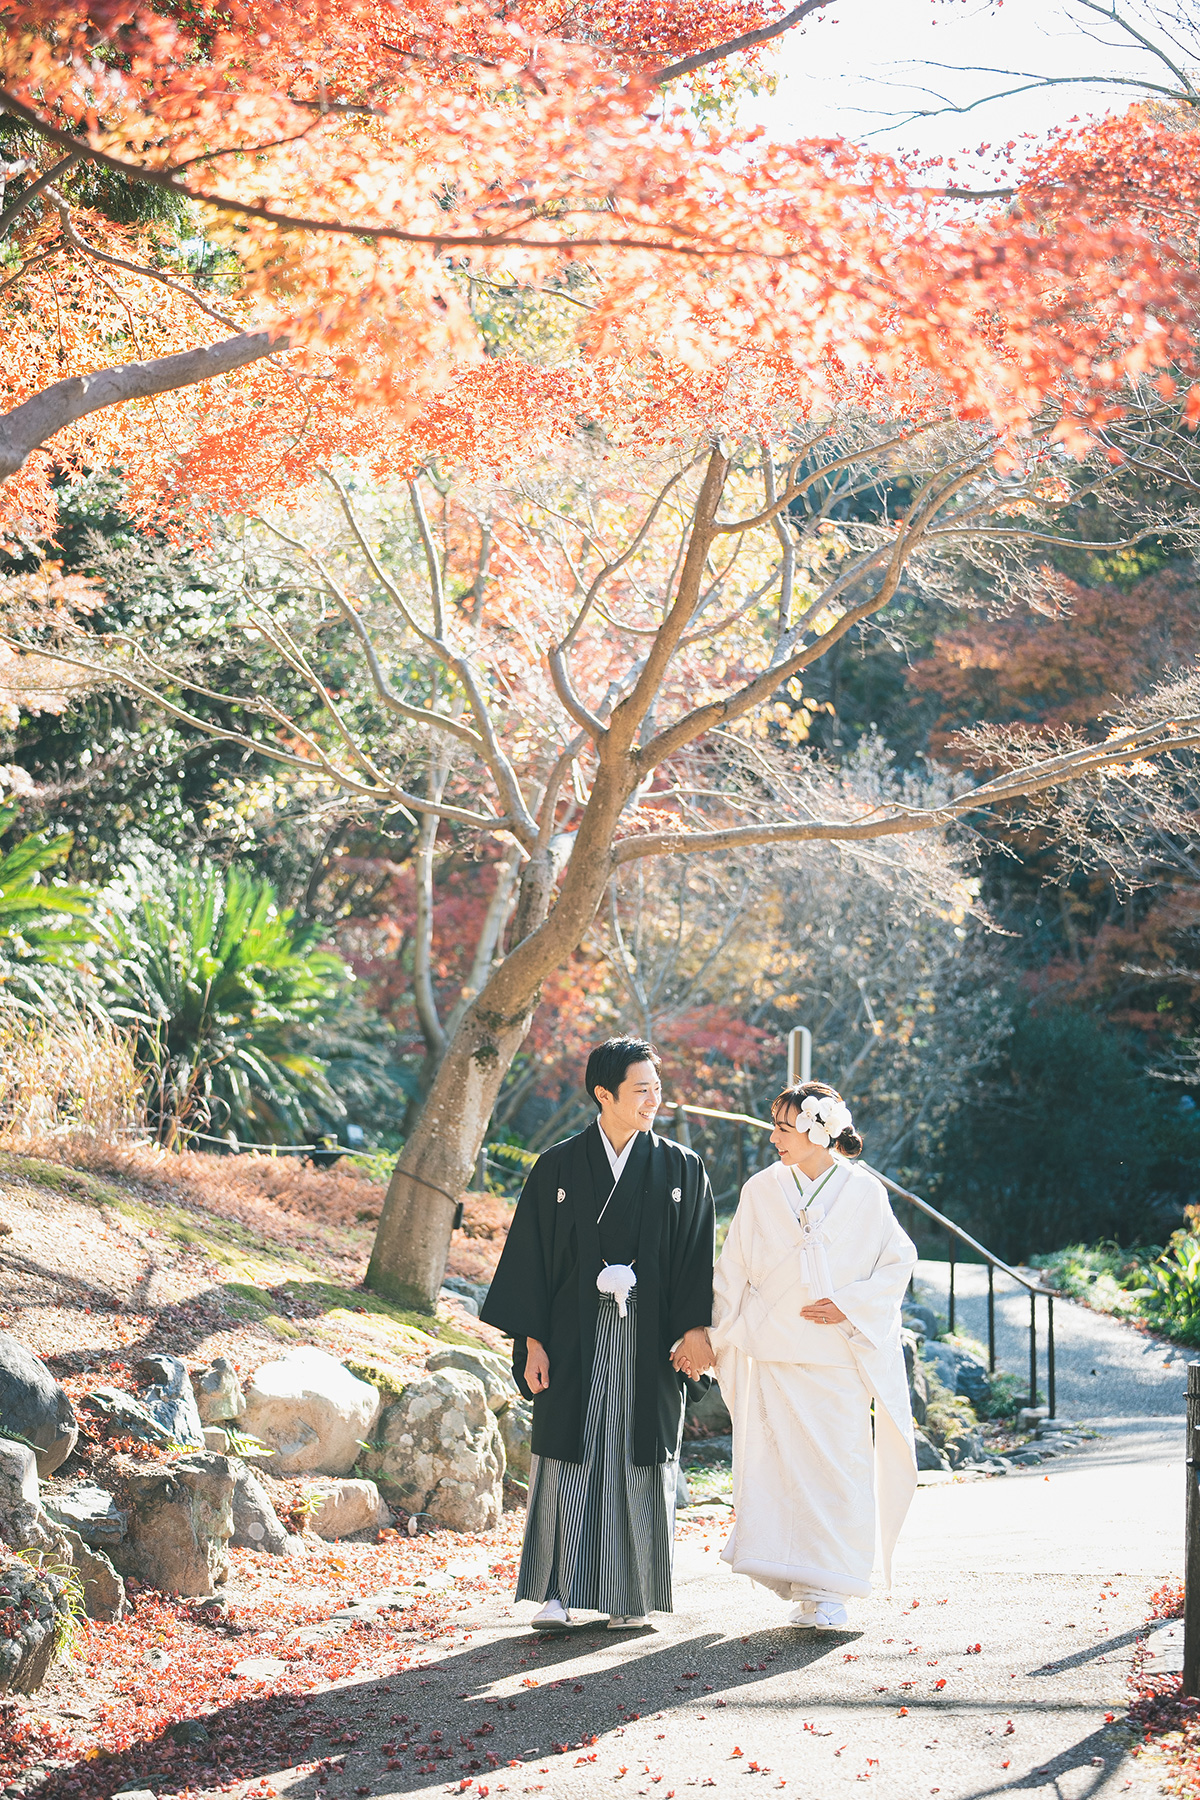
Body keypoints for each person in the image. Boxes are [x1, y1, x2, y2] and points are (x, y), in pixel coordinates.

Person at [480, 1036, 715, 1631]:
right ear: (603, 1094)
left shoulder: (683, 1169)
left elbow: (696, 1262)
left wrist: (695, 1334)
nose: (654, 1099)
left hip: (649, 1341)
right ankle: (556, 1592)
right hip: (571, 1338)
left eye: (657, 1089)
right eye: (642, 1090)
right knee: (569, 1456)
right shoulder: (557, 1167)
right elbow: (530, 1259)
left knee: (637, 1457)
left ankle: (631, 1596)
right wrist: (531, 1341)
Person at [707, 1079, 917, 1631]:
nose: (774, 1137)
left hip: (836, 1357)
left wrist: (848, 1305)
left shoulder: (864, 1192)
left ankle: (835, 1587)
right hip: (776, 1352)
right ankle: (804, 1586)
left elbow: (897, 1263)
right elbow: (732, 1270)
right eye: (775, 1125)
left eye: (782, 1126)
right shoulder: (760, 1190)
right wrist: (717, 1332)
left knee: (839, 1471)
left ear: (815, 1129)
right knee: (782, 1473)